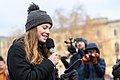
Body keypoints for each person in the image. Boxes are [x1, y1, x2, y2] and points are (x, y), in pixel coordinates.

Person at [7, 3, 78, 80]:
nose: (48, 32)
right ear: (33, 29)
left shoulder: (43, 50)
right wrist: (49, 63)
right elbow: (27, 77)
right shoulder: (17, 50)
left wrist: (65, 78)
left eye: (49, 28)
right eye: (44, 28)